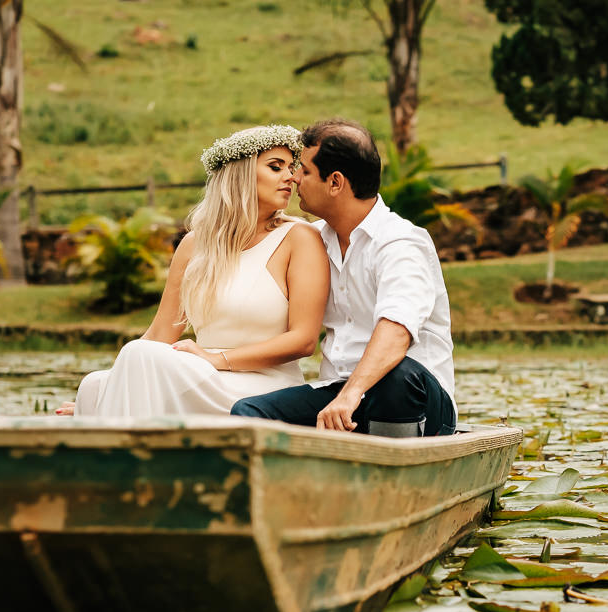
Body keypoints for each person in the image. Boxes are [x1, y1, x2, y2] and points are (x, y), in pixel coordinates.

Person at [59, 125, 329, 417]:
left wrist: (217, 359)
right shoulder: (194, 245)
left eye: (291, 167)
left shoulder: (299, 238)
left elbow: (303, 340)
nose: (291, 177)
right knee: (93, 386)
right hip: (202, 374)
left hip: (262, 385)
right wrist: (115, 390)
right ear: (239, 174)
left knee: (134, 358)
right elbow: (160, 333)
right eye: (276, 167)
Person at [230, 118, 456, 437]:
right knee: (248, 412)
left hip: (414, 400)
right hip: (339, 393)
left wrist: (351, 394)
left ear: (335, 182)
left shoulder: (400, 243)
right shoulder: (312, 241)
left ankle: (391, 462)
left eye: (304, 170)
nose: (294, 178)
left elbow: (397, 331)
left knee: (398, 376)